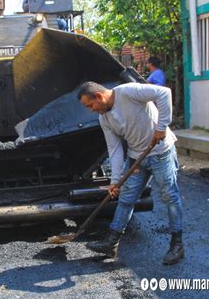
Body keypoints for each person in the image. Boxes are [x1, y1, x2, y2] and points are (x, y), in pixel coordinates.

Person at [77, 81, 184, 265]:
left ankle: (177, 245)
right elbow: (115, 149)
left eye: (90, 105)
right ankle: (111, 243)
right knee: (126, 198)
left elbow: (164, 92)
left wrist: (162, 126)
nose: (91, 110)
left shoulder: (129, 92)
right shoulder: (105, 119)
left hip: (161, 153)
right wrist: (115, 181)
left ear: (99, 96)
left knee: (170, 197)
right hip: (137, 159)